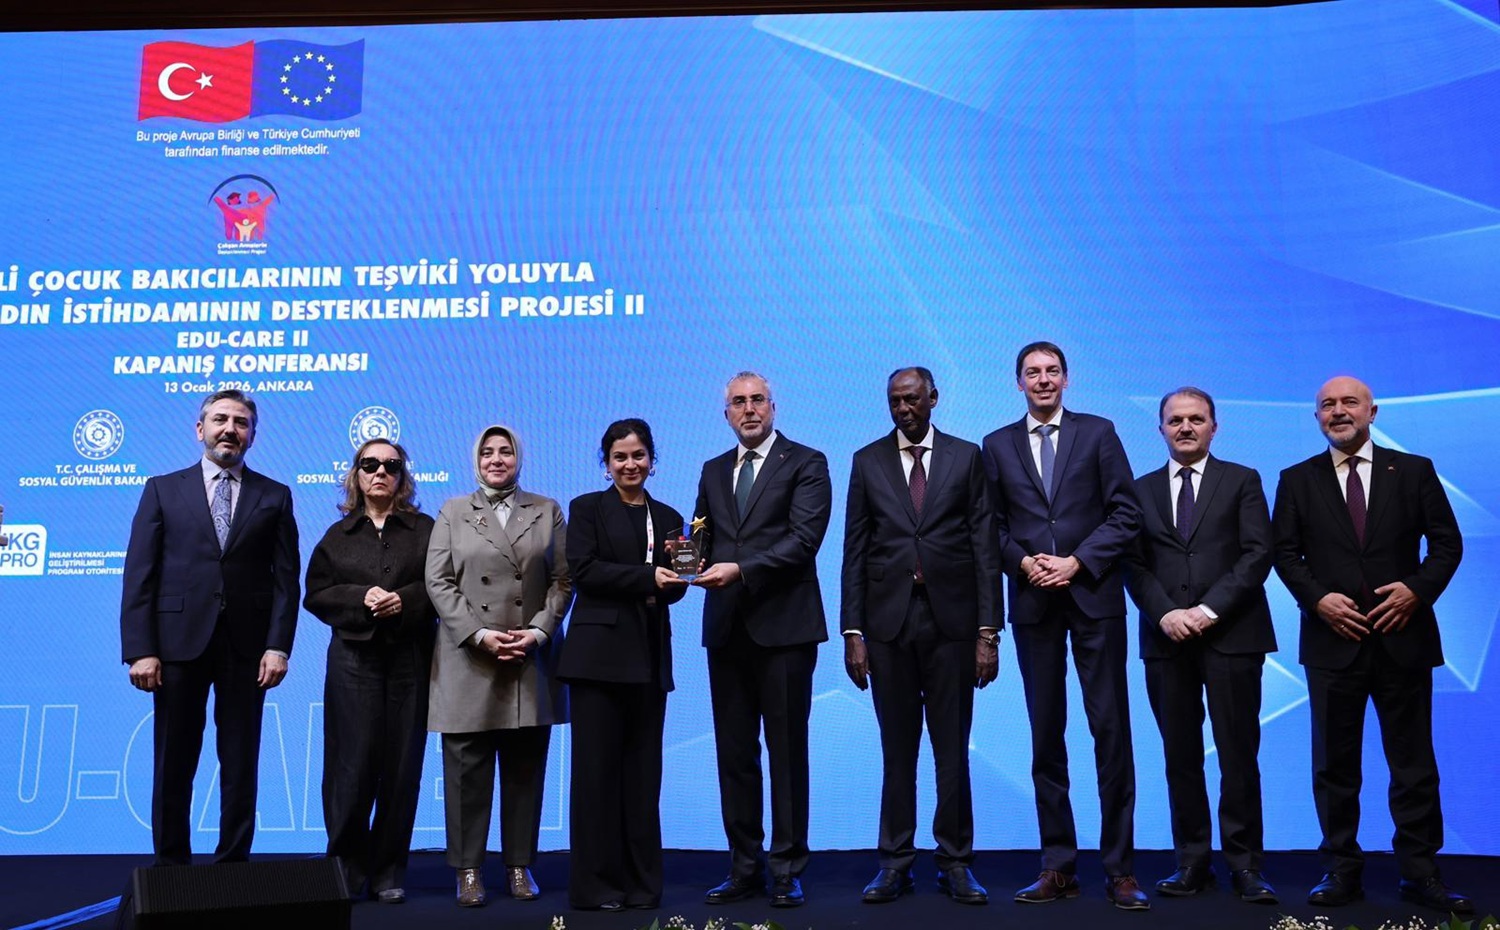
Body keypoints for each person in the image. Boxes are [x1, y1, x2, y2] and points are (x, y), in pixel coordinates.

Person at [1272, 376, 1471, 914]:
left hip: (1403, 639)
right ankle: (1340, 871)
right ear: (1317, 417)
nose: (1338, 411)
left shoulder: (1414, 470)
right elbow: (1284, 553)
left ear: (1372, 412)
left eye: (1349, 403)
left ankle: (1420, 873)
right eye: (1327, 405)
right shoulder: (1296, 479)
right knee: (1333, 766)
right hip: (1331, 642)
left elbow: (1447, 544)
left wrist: (1417, 591)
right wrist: (1318, 601)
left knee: (1413, 764)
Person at [979, 341, 1147, 909]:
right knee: (1046, 737)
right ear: (1018, 383)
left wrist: (1078, 561)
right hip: (1034, 604)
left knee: (1111, 733)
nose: (1044, 379)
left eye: (1052, 370)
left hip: (1094, 598)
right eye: (1033, 372)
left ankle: (1121, 871)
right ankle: (1058, 866)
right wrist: (1025, 563)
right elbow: (991, 526)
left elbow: (1126, 512)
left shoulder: (1098, 433)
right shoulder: (996, 444)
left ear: (1067, 379)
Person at [840, 367, 1001, 905]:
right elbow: (855, 550)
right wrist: (853, 631)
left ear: (933, 398)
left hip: (952, 623)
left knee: (952, 749)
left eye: (911, 399)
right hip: (887, 625)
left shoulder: (966, 456)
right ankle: (895, 863)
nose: (903, 409)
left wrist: (988, 633)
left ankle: (955, 862)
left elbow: (984, 547)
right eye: (894, 401)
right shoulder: (867, 460)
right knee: (897, 750)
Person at [119, 389, 299, 865]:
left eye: (241, 423)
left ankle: (232, 867)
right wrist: (140, 649)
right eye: (220, 420)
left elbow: (286, 581)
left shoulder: (275, 495)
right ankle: (171, 868)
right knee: (173, 762)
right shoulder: (162, 489)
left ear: (253, 436)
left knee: (240, 762)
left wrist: (278, 646)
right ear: (200, 429)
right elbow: (140, 573)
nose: (229, 430)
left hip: (247, 649)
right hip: (175, 646)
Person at [1120, 388, 1278, 904]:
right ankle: (1191, 862)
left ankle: (1246, 866)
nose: (1185, 427)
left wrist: (1207, 611)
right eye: (1175, 420)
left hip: (1233, 636)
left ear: (1214, 426)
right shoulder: (1138, 490)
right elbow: (1132, 563)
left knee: (1238, 754)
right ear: (1160, 429)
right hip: (1166, 640)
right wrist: (1166, 613)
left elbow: (1257, 554)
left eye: (1196, 419)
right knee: (1180, 756)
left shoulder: (1242, 480)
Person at [694, 371, 831, 908]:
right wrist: (682, 562)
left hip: (786, 629)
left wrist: (740, 569)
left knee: (787, 753)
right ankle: (744, 867)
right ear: (726, 413)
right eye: (738, 402)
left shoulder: (807, 463)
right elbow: (701, 537)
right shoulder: (712, 469)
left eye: (757, 400)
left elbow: (804, 541)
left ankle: (787, 869)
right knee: (734, 755)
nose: (748, 409)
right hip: (727, 630)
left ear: (773, 407)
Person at [426, 424, 571, 906]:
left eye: (505, 451)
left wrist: (538, 632)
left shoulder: (547, 510)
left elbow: (563, 581)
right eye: (487, 452)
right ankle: (468, 870)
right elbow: (438, 582)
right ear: (476, 460)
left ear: (518, 458)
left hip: (529, 657)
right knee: (465, 772)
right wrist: (480, 634)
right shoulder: (452, 511)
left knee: (525, 769)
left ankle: (519, 865)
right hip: (470, 656)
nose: (496, 459)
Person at [558, 419, 689, 911]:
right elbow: (585, 571)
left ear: (652, 460)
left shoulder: (670, 517)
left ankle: (641, 884)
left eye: (638, 456)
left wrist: (680, 577)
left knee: (643, 778)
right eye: (620, 457)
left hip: (649, 659)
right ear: (606, 463)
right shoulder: (586, 509)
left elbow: (672, 587)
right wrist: (648, 578)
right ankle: (596, 886)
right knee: (596, 776)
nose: (630, 465)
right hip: (598, 661)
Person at [304, 438, 436, 904]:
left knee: (401, 768)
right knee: (351, 767)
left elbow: (443, 585)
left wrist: (407, 601)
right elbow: (316, 594)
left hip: (409, 660)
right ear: (356, 474)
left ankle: (387, 871)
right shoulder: (337, 535)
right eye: (370, 464)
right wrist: (360, 597)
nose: (380, 472)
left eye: (391, 465)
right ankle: (344, 866)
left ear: (402, 476)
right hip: (353, 662)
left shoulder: (426, 530)